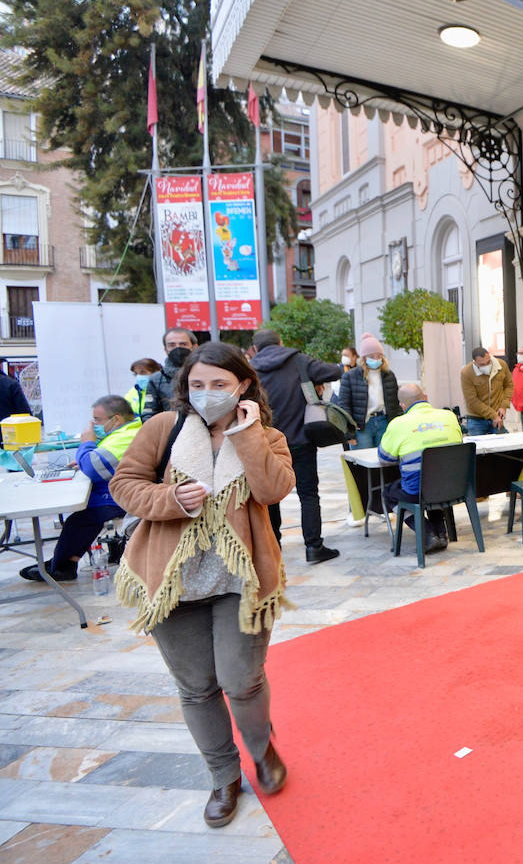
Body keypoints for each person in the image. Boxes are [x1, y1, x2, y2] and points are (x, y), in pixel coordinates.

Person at [109, 341, 296, 829]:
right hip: (174, 585)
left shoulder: (266, 435)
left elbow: (272, 490)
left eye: (219, 385)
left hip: (242, 581)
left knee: (242, 680)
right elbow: (124, 485)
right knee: (196, 688)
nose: (207, 394)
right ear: (184, 387)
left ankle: (262, 750)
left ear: (244, 386)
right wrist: (172, 498)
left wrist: (247, 432)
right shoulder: (163, 430)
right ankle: (223, 776)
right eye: (197, 385)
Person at [18, 395, 140, 583]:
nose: (92, 425)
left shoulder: (127, 435)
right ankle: (62, 563)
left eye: (97, 420)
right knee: (83, 518)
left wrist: (87, 443)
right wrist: (87, 457)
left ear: (116, 419)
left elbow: (93, 467)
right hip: (117, 490)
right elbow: (98, 460)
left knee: (82, 518)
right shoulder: (123, 432)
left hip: (123, 494)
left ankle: (62, 566)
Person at [249, 329, 344, 564]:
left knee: (270, 498)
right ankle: (314, 547)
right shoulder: (298, 360)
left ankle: (274, 548)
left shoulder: (249, 370)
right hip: (301, 440)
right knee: (308, 495)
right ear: (280, 343)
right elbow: (332, 371)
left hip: (267, 443)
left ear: (255, 348)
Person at [378, 383, 463, 554]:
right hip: (454, 486)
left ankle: (427, 532)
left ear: (403, 405)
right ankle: (441, 532)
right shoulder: (449, 416)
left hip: (418, 491)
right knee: (435, 483)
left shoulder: (398, 424)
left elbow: (384, 459)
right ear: (425, 397)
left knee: (389, 494)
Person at [334, 333, 401, 448]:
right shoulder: (350, 376)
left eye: (379, 356)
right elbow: (344, 406)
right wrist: (349, 433)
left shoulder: (389, 375)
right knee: (362, 461)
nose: (376, 359)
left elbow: (395, 403)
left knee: (385, 462)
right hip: (362, 426)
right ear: (364, 358)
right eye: (372, 356)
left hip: (384, 421)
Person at [142, 327, 197, 420]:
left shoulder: (206, 374)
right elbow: (148, 415)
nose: (178, 348)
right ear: (166, 349)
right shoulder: (157, 379)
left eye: (183, 344)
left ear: (194, 347)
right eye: (172, 345)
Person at [459, 346, 512, 435]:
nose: (486, 366)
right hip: (476, 419)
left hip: (497, 418)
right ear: (475, 363)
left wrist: (504, 405)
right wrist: (493, 415)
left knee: (503, 446)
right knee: (478, 447)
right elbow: (472, 401)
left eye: (488, 362)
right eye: (482, 364)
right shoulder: (466, 372)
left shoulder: (501, 365)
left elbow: (509, 386)